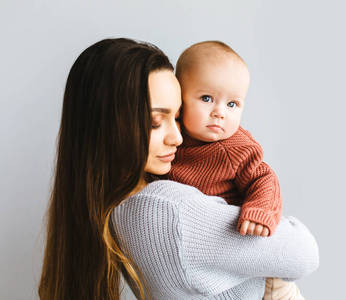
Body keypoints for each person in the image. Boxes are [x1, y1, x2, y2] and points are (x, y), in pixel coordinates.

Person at [38, 38, 319, 300]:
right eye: (154, 123)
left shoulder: (107, 211)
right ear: (108, 127)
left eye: (177, 117)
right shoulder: (168, 211)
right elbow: (304, 251)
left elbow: (260, 177)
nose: (178, 138)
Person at [169, 40, 304, 299]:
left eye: (232, 104)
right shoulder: (171, 140)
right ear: (180, 99)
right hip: (219, 264)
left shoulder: (234, 148)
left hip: (264, 277)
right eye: (206, 98)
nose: (219, 112)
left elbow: (264, 178)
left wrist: (260, 211)